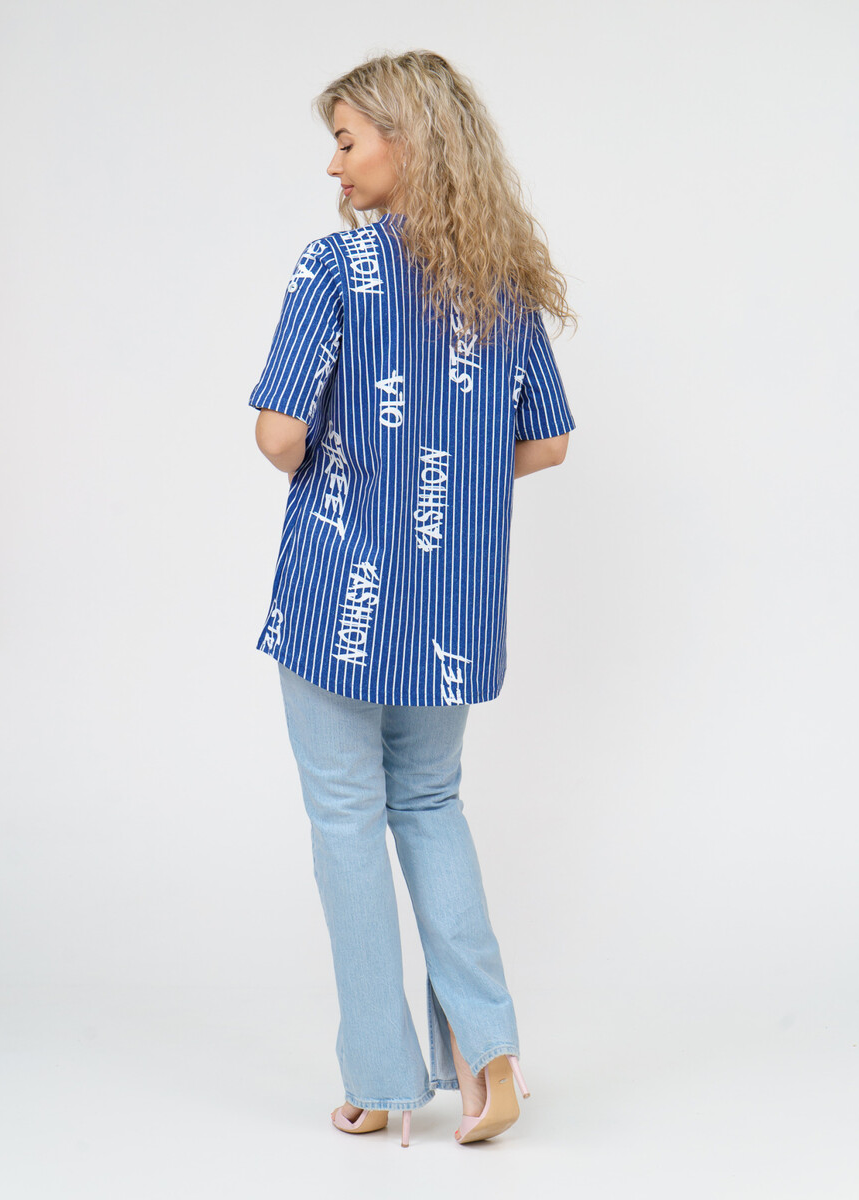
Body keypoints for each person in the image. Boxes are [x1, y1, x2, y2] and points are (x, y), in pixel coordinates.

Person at [248, 50, 577, 1148]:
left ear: (409, 140)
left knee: (348, 817)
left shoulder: (335, 268)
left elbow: (279, 435)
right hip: (452, 609)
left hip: (337, 597)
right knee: (431, 804)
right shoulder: (499, 280)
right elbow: (548, 442)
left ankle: (384, 1080)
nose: (333, 166)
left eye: (346, 141)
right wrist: (454, 470)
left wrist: (354, 471)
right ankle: (488, 1055)